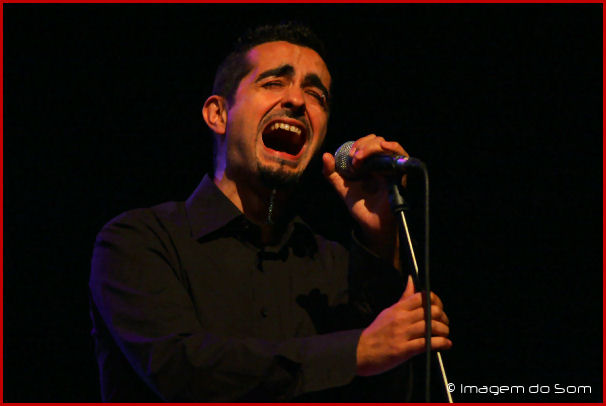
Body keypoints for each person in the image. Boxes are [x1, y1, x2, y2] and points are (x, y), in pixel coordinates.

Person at [89, 22, 451, 402]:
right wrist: (353, 352)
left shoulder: (331, 266)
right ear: (218, 114)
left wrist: (381, 237)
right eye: (274, 82)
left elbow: (384, 390)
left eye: (316, 94)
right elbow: (182, 370)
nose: (297, 100)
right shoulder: (137, 242)